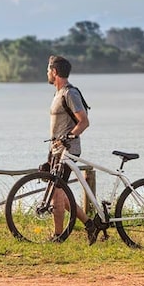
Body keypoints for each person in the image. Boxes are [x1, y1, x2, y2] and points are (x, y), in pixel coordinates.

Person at [46, 55, 102, 244]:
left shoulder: (70, 93)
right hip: (56, 151)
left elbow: (84, 121)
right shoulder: (58, 93)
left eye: (48, 70)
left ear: (55, 72)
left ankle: (58, 236)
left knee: (56, 193)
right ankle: (90, 225)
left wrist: (69, 137)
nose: (47, 73)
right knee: (61, 194)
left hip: (67, 151)